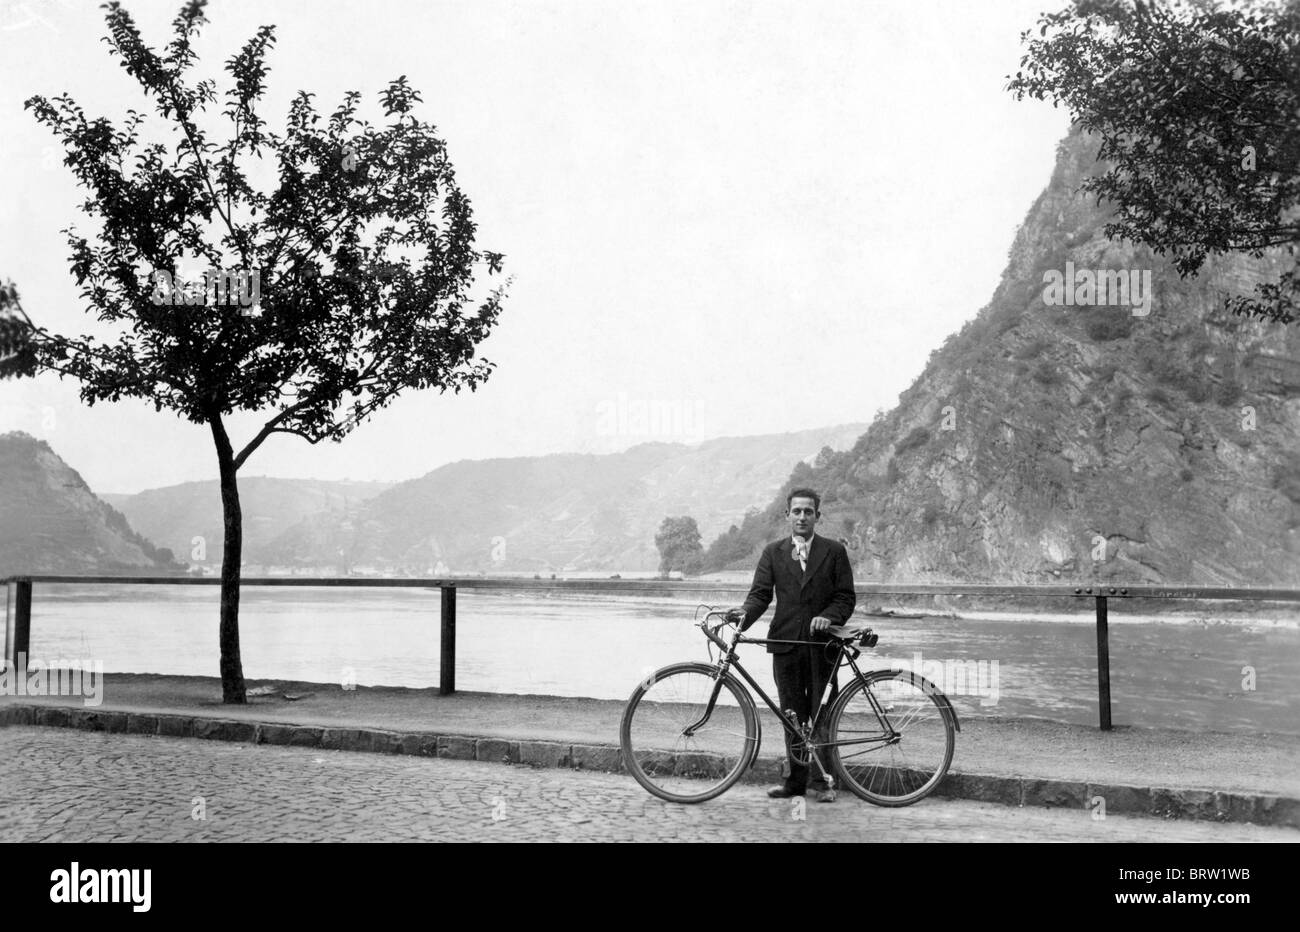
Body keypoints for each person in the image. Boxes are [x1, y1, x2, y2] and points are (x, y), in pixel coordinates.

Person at [727, 487, 856, 802]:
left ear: (817, 516)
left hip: (822, 646)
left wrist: (828, 616)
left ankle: (824, 783)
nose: (802, 517)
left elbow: (845, 597)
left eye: (808, 511)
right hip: (785, 645)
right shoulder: (773, 552)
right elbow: (760, 595)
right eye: (796, 511)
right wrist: (743, 614)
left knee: (820, 715)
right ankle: (796, 783)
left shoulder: (833, 552)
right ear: (787, 516)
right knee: (792, 716)